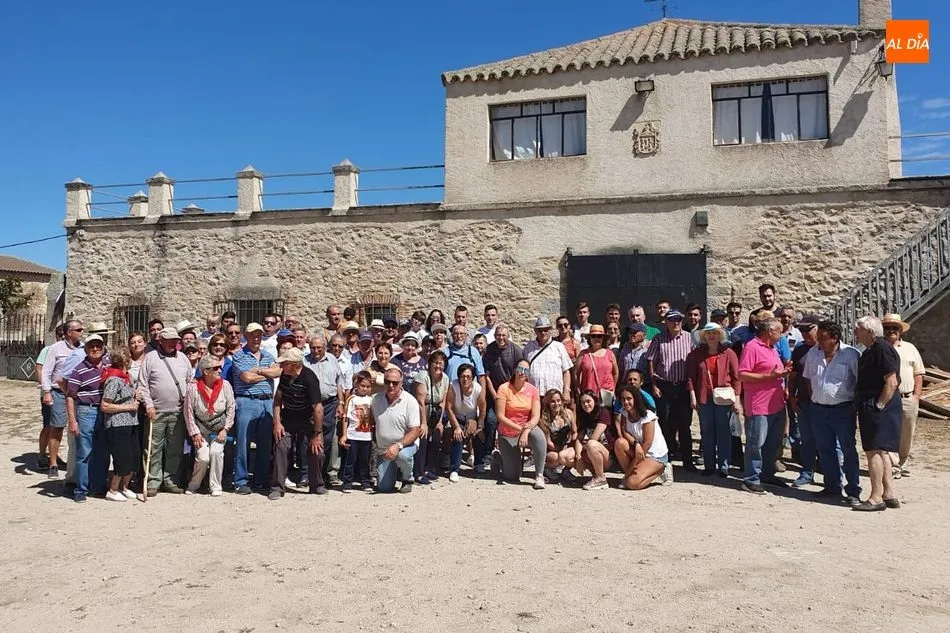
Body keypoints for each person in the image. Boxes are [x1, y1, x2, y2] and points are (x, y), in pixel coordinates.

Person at [802, 320, 862, 505]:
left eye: (823, 337)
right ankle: (832, 486)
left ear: (835, 338)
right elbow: (808, 378)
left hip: (843, 409)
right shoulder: (813, 353)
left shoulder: (851, 355)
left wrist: (854, 406)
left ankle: (853, 490)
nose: (818, 340)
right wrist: (815, 398)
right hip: (819, 410)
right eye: (818, 336)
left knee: (848, 449)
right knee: (825, 450)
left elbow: (860, 381)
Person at [853, 316, 902, 512]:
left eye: (859, 329)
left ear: (870, 332)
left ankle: (875, 496)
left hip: (878, 404)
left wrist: (879, 405)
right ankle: (888, 493)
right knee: (881, 451)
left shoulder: (881, 349)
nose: (856, 332)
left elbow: (891, 381)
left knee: (873, 450)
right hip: (875, 403)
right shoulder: (873, 350)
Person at [737, 317, 790, 494]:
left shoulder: (773, 348)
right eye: (779, 331)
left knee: (772, 443)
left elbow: (774, 372)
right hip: (759, 405)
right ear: (770, 332)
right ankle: (751, 478)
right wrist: (770, 377)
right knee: (756, 443)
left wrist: (783, 372)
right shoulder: (752, 347)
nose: (781, 335)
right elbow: (743, 374)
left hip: (776, 404)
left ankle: (767, 474)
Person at [139, 327, 192, 497]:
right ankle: (153, 481)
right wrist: (148, 406)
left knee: (174, 449)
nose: (173, 343)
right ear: (160, 341)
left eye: (175, 340)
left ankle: (170, 480)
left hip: (178, 412)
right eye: (169, 340)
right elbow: (143, 385)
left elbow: (190, 381)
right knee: (153, 448)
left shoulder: (183, 358)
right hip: (157, 411)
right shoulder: (150, 358)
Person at [269, 347, 328, 499]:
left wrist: (316, 434)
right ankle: (277, 487)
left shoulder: (310, 378)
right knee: (281, 445)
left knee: (317, 450)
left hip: (308, 419)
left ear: (294, 365)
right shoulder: (285, 376)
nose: (281, 366)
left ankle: (317, 485)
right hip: (289, 417)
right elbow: (277, 401)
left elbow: (318, 409)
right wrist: (277, 422)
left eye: (285, 363)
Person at [230, 322, 281, 494]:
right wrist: (266, 372)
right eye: (252, 335)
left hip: (267, 401)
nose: (256, 338)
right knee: (243, 443)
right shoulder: (238, 356)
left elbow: (277, 372)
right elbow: (246, 378)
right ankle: (241, 480)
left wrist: (258, 371)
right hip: (246, 401)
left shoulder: (268, 354)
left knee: (265, 444)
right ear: (246, 336)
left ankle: (260, 479)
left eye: (258, 334)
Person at [686, 323, 741, 478]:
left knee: (724, 432)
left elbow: (736, 378)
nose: (711, 336)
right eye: (708, 333)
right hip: (704, 397)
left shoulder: (729, 353)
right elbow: (690, 377)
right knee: (707, 431)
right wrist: (692, 396)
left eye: (715, 333)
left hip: (724, 397)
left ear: (719, 335)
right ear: (704, 336)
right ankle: (709, 465)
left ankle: (724, 466)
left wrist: (737, 400)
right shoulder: (696, 354)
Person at [645, 310, 695, 469]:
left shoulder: (689, 338)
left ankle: (687, 461)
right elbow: (651, 362)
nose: (676, 323)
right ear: (666, 322)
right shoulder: (658, 339)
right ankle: (666, 459)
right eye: (672, 320)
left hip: (683, 387)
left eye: (679, 319)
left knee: (685, 424)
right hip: (664, 386)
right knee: (665, 422)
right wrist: (653, 385)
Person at [64, 333, 110, 502]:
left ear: (103, 347)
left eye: (98, 346)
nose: (96, 349)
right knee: (84, 452)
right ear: (86, 349)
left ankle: (97, 487)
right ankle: (81, 489)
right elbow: (70, 396)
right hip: (86, 411)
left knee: (103, 451)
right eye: (92, 346)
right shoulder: (79, 369)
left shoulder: (109, 366)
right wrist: (72, 420)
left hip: (105, 412)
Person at [183, 354, 235, 496]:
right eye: (216, 368)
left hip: (219, 429)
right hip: (201, 429)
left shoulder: (225, 386)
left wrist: (226, 429)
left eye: (220, 367)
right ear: (206, 371)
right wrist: (195, 433)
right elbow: (188, 413)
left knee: (216, 452)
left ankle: (215, 486)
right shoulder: (193, 389)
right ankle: (194, 484)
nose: (220, 370)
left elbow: (231, 408)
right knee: (203, 457)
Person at [40, 319, 84, 481]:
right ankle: (53, 463)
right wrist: (46, 392)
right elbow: (46, 371)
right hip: (59, 392)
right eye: (78, 329)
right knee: (57, 427)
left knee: (77, 428)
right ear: (68, 333)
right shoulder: (55, 349)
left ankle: (75, 462)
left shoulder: (83, 348)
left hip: (76, 393)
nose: (81, 332)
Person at [881, 313, 924, 479]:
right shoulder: (880, 348)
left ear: (900, 331)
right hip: (889, 397)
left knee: (907, 433)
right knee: (889, 431)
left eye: (895, 328)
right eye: (887, 328)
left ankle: (903, 463)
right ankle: (893, 465)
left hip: (907, 398)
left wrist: (916, 396)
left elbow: (919, 374)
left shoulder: (910, 348)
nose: (891, 331)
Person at [492, 359, 545, 488]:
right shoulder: (504, 388)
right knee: (512, 476)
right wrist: (520, 430)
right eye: (520, 369)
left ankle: (539, 475)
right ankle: (498, 458)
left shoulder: (533, 390)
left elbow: (535, 416)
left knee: (539, 436)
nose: (522, 372)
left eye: (526, 370)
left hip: (526, 428)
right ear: (515, 370)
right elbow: (500, 416)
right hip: (508, 432)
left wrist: (525, 431)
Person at [370, 367, 422, 493]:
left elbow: (415, 431)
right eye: (387, 382)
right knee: (384, 488)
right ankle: (393, 472)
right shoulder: (375, 399)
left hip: (404, 446)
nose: (391, 385)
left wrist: (398, 445)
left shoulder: (410, 401)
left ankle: (407, 479)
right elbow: (371, 423)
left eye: (395, 382)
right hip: (383, 449)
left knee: (403, 456)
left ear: (401, 382)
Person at [480, 325, 524, 474]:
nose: (501, 338)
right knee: (491, 420)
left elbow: (520, 373)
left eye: (504, 335)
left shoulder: (516, 350)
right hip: (494, 395)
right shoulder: (489, 350)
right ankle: (488, 452)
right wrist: (493, 393)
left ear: (508, 335)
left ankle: (512, 453)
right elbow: (486, 375)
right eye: (498, 335)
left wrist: (511, 392)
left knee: (512, 423)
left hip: (511, 394)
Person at [303, 335, 345, 488]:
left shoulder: (332, 359)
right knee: (307, 440)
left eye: (319, 348)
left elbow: (339, 383)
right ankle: (306, 474)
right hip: (310, 406)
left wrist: (341, 403)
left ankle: (322, 473)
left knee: (327, 441)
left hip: (329, 404)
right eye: (313, 347)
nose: (316, 350)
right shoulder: (304, 361)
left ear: (325, 347)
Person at [99, 348, 141, 502]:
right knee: (123, 458)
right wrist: (128, 407)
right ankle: (113, 489)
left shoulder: (126, 378)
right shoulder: (114, 380)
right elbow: (105, 405)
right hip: (117, 425)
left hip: (132, 422)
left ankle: (125, 487)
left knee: (134, 456)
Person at [786, 315, 821, 488]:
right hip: (805, 402)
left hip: (825, 404)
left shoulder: (830, 348)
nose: (805, 333)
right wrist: (791, 395)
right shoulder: (800, 349)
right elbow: (793, 375)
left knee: (829, 441)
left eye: (809, 329)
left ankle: (833, 476)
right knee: (806, 439)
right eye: (802, 330)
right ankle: (807, 472)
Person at [614, 385, 671, 489]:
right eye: (622, 399)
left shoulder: (648, 416)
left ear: (635, 398)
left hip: (654, 454)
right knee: (620, 443)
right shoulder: (624, 412)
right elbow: (624, 432)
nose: (625, 402)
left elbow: (647, 443)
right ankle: (633, 473)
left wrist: (628, 473)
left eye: (629, 399)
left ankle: (661, 469)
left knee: (632, 483)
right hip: (639, 448)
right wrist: (636, 444)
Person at [444, 363, 486, 481]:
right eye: (462, 376)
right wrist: (456, 427)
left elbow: (483, 408)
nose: (465, 379)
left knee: (479, 434)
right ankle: (454, 469)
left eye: (468, 376)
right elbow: (449, 408)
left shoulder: (478, 389)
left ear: (472, 377)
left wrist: (480, 425)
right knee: (458, 437)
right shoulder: (453, 386)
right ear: (459, 377)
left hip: (472, 418)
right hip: (457, 417)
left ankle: (479, 463)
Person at [413, 350, 450, 483]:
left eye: (441, 363)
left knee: (436, 437)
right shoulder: (422, 376)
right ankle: (419, 472)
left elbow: (444, 401)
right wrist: (423, 423)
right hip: (421, 410)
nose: (438, 366)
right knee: (422, 438)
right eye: (436, 363)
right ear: (430, 364)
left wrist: (440, 422)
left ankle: (430, 469)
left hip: (436, 412)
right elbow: (420, 401)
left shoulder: (445, 378)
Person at [524, 316, 573, 408]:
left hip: (555, 396)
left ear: (550, 330)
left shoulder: (559, 347)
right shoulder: (528, 348)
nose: (543, 332)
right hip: (535, 395)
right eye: (540, 330)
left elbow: (566, 371)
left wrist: (566, 391)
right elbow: (524, 371)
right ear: (535, 331)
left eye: (546, 329)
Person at [35, 324, 65, 471]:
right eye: (60, 336)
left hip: (62, 393)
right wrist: (45, 388)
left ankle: (54, 454)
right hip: (50, 393)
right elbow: (40, 369)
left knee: (58, 427)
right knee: (48, 425)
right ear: (57, 336)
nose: (62, 339)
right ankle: (42, 455)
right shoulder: (48, 350)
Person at [339, 371, 375, 492]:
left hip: (367, 436)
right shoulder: (352, 399)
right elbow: (345, 418)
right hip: (353, 435)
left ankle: (365, 482)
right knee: (350, 460)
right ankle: (347, 482)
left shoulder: (371, 400)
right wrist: (344, 435)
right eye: (362, 386)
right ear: (356, 385)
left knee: (365, 461)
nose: (365, 389)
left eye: (368, 386)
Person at [574, 390, 612, 491]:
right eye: (583, 402)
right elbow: (579, 439)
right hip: (593, 451)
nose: (586, 404)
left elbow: (594, 438)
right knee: (565, 456)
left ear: (595, 401)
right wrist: (578, 458)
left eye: (588, 401)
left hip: (608, 456)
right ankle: (594, 474)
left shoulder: (603, 412)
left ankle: (601, 479)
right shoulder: (584, 416)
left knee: (591, 444)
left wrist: (584, 447)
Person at [575, 325, 619, 407]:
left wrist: (613, 388)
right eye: (593, 336)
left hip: (606, 394)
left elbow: (615, 373)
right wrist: (578, 391)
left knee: (605, 417)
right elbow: (576, 374)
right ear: (589, 338)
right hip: (588, 395)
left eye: (599, 336)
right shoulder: (583, 354)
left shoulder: (610, 354)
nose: (596, 338)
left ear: (603, 338)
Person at [539, 389, 576, 483]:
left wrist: (571, 444)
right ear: (548, 403)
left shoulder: (569, 413)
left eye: (558, 400)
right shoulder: (543, 418)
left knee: (569, 456)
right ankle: (546, 468)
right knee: (557, 457)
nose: (556, 404)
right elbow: (548, 442)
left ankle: (566, 471)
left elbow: (574, 432)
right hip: (551, 448)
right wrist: (560, 451)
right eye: (552, 401)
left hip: (567, 444)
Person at [445, 324, 486, 390]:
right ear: (452, 336)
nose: (459, 336)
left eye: (462, 334)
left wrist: (483, 394)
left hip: (470, 393)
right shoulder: (445, 352)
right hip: (451, 392)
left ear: (466, 336)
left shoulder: (474, 352)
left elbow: (480, 375)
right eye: (456, 334)